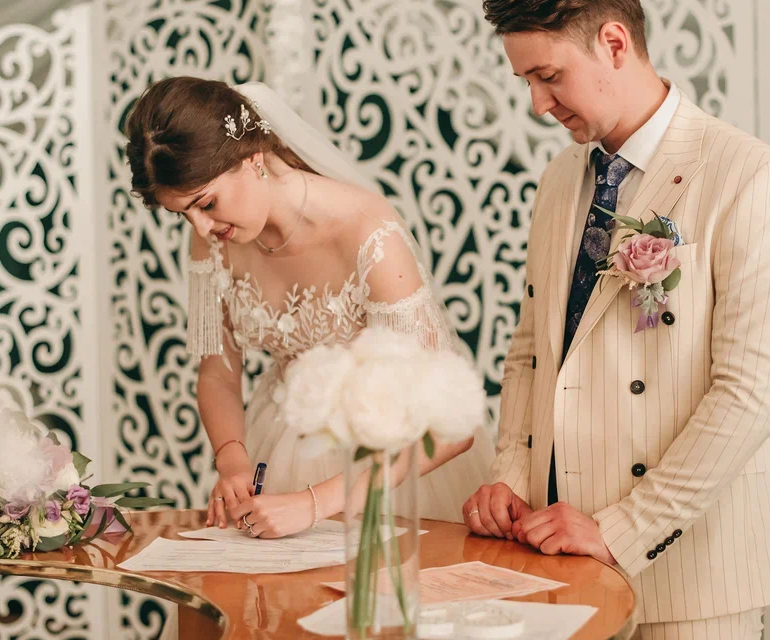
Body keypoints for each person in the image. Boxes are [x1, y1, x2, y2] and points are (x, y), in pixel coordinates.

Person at [462, 0, 770, 640]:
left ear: (614, 42)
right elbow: (532, 350)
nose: (538, 104)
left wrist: (622, 528)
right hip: (565, 553)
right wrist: (511, 475)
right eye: (526, 81)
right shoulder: (561, 181)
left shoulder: (751, 178)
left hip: (691, 567)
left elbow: (748, 395)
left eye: (549, 76)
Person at [122, 75, 493, 536]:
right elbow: (217, 372)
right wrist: (232, 459)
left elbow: (451, 428)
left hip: (385, 469)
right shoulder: (215, 238)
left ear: (251, 158)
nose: (199, 228)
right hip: (279, 453)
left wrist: (313, 504)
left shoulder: (368, 233)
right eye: (183, 214)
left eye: (207, 203)